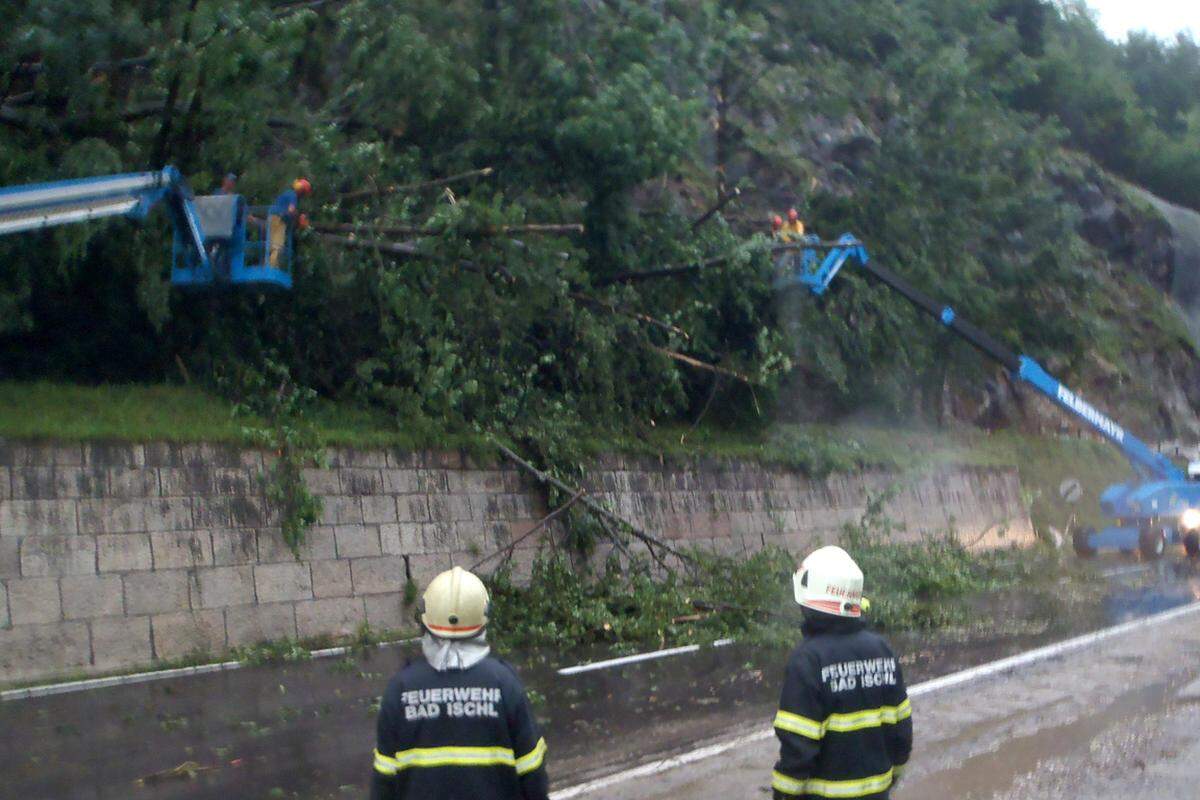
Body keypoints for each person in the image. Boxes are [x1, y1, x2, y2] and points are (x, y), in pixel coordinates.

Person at [371, 566, 550, 800]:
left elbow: (383, 783)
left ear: (426, 619)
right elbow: (532, 773)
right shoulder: (504, 684)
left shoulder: (401, 688)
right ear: (483, 618)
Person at [771, 546, 912, 799]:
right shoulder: (882, 649)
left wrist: (783, 795)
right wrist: (891, 779)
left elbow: (798, 749)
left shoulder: (807, 660)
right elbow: (901, 734)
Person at [268, 177, 311, 267]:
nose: (303, 196)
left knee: (272, 243)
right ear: (301, 191)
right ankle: (272, 267)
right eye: (303, 193)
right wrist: (300, 219)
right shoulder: (293, 196)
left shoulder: (287, 193)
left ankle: (270, 264)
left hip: (272, 216)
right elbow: (291, 210)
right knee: (278, 244)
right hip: (280, 219)